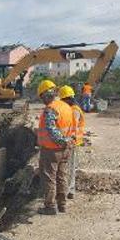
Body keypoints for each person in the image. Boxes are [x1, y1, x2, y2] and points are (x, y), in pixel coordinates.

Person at [36, 79, 73, 215]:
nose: (42, 100)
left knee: (49, 178)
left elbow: (51, 130)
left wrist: (61, 141)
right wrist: (67, 142)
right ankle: (62, 205)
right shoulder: (66, 106)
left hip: (52, 149)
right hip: (65, 149)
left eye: (42, 97)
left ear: (47, 94)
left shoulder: (51, 108)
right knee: (61, 176)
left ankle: (50, 207)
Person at [59, 85, 86, 199]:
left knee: (69, 168)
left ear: (68, 98)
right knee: (70, 167)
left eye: (63, 100)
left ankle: (66, 192)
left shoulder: (74, 110)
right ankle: (70, 191)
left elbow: (71, 127)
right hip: (70, 142)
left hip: (71, 142)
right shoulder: (71, 109)